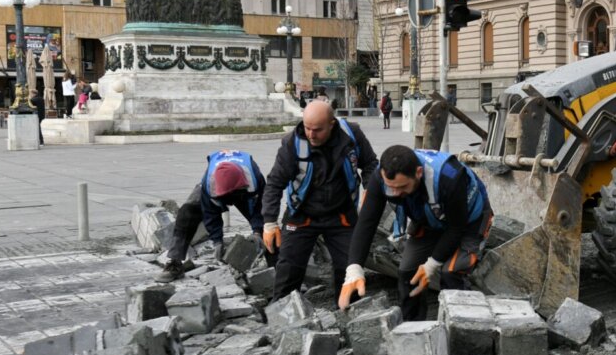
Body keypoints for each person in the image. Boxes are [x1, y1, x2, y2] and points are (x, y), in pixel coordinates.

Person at [339, 145, 493, 321]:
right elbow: (366, 223)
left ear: (419, 172)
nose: (395, 193)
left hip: (469, 220)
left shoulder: (450, 177)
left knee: (451, 273)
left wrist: (432, 264)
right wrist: (354, 268)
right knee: (407, 273)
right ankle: (412, 329)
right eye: (391, 188)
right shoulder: (381, 177)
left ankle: (463, 328)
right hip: (429, 217)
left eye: (402, 186)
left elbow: (456, 228)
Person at [261, 101, 378, 304]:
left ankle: (348, 316)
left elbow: (370, 164)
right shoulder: (292, 143)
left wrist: (370, 188)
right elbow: (274, 182)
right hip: (302, 214)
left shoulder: (352, 135)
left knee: (349, 269)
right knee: (289, 268)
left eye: (317, 130)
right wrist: (269, 221)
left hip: (341, 213)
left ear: (331, 124)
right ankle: (282, 315)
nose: (311, 134)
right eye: (307, 128)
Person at [155, 150, 266, 282]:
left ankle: (277, 262)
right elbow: (210, 213)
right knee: (187, 212)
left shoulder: (255, 178)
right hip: (218, 187)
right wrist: (217, 241)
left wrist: (258, 231)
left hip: (242, 189)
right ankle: (175, 262)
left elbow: (262, 208)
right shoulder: (209, 184)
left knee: (268, 226)